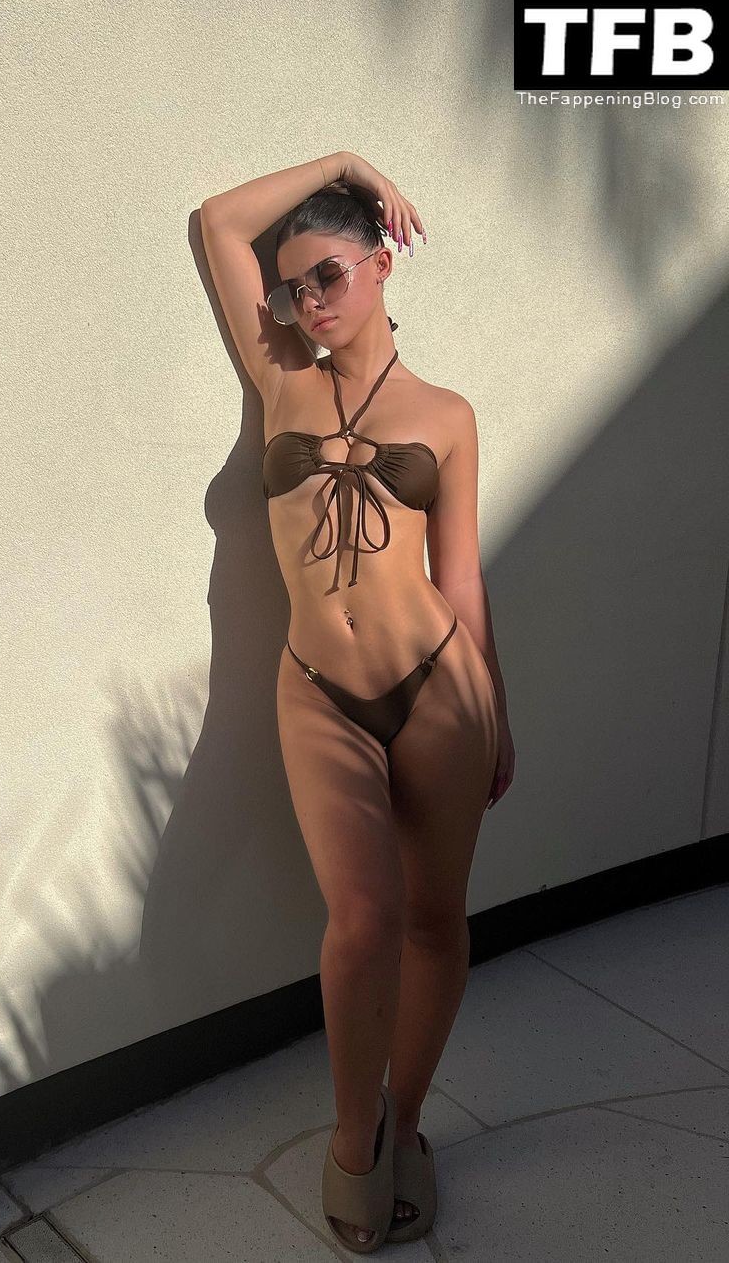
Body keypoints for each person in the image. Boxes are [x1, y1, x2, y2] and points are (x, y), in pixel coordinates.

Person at [199, 151, 516, 1252]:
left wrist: (499, 708)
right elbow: (218, 223)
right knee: (366, 918)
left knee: (434, 919)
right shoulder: (283, 376)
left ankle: (409, 1121)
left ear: (383, 262)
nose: (308, 303)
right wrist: (342, 159)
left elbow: (460, 575)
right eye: (294, 289)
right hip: (320, 691)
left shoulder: (449, 414)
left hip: (441, 687)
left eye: (328, 275)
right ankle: (353, 1139)